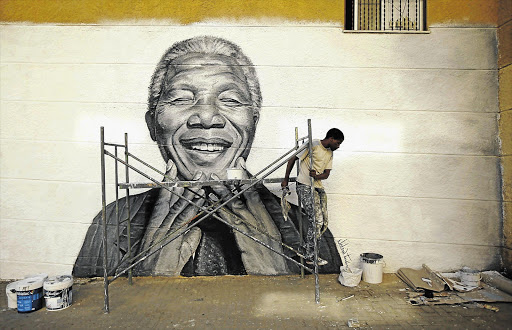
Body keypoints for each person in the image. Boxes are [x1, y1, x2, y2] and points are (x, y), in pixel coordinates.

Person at [73, 36, 341, 277]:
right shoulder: (110, 224)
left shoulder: (311, 232)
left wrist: (280, 275)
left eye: (231, 100)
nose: (206, 118)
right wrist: (146, 280)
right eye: (180, 99)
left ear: (253, 124)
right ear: (152, 125)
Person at [282, 128, 344, 266]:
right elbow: (292, 159)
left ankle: (305, 248)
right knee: (316, 220)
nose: (338, 146)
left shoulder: (330, 153)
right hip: (304, 185)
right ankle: (310, 255)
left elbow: (326, 174)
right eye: (338, 143)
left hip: (318, 187)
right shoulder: (313, 144)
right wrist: (286, 180)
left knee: (323, 223)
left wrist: (317, 176)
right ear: (331, 138)